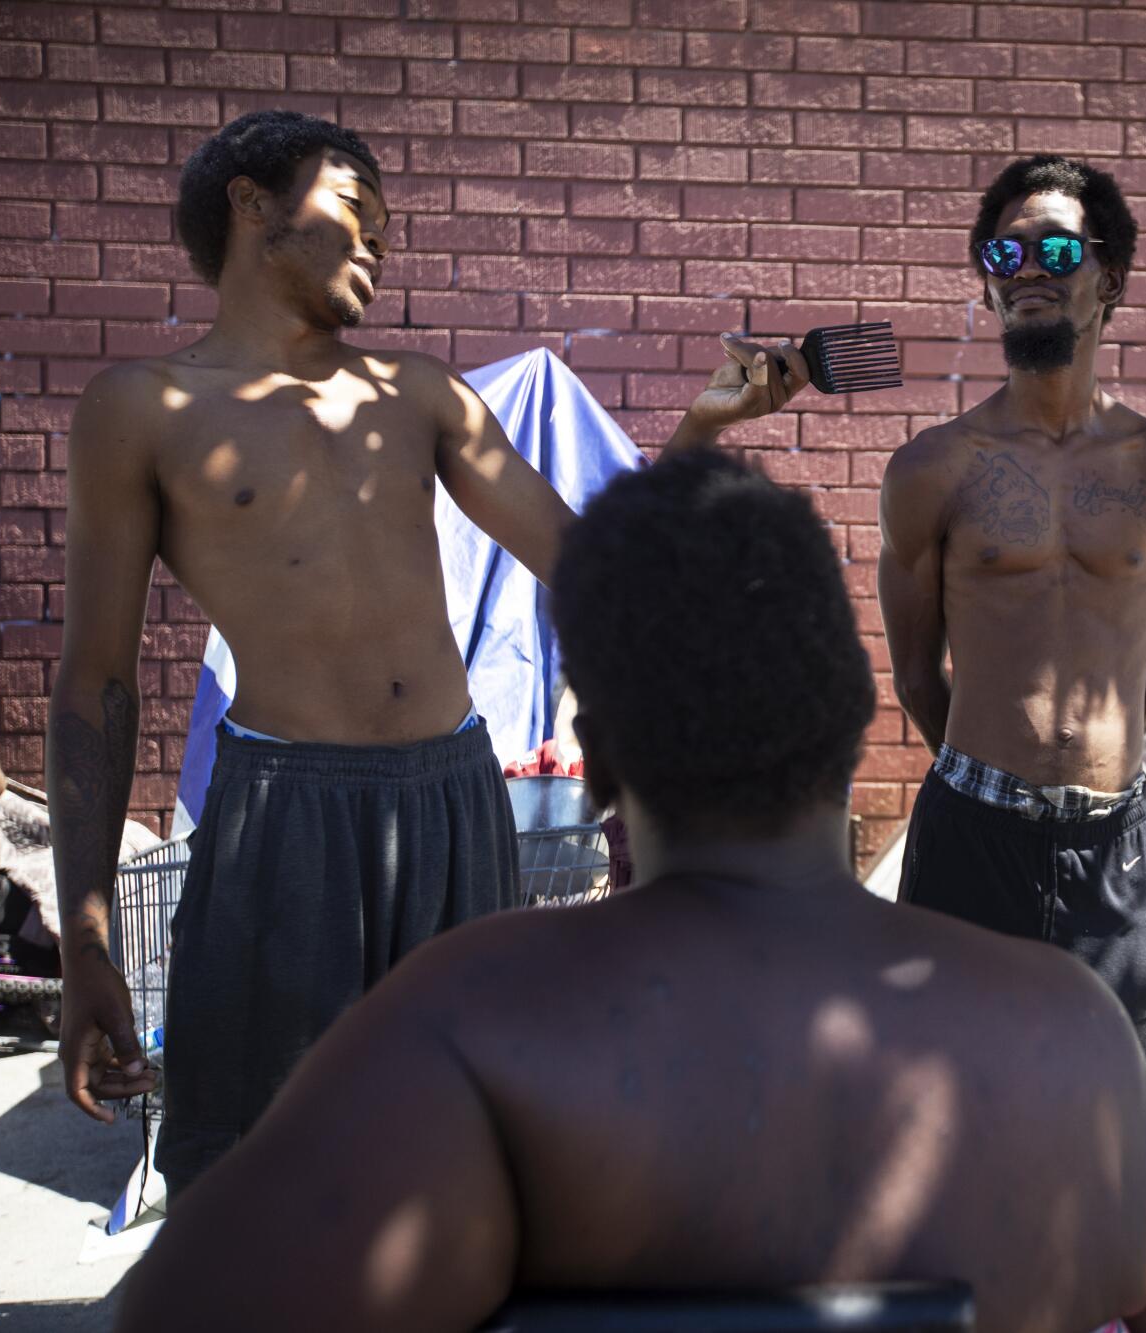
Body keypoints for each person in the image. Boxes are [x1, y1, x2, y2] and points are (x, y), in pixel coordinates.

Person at [115, 449, 1146, 1333]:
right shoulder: (1070, 1033)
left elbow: (170, 1314)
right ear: (848, 732)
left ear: (594, 765)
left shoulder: (470, 1028)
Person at [48, 109, 807, 1193]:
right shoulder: (143, 409)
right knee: (272, 1174)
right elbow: (96, 681)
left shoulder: (418, 395)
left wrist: (698, 429)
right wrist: (84, 940)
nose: (379, 243)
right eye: (355, 207)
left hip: (451, 801)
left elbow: (591, 561)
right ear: (250, 202)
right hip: (283, 822)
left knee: (466, 1160)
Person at [881, 156, 1146, 1077]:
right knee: (945, 1120)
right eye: (1005, 251)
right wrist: (1003, 770)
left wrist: (1087, 764)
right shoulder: (934, 469)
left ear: (1108, 278)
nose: (1028, 267)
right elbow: (916, 673)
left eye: (1057, 248)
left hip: (1112, 846)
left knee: (1110, 1127)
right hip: (970, 841)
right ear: (987, 283)